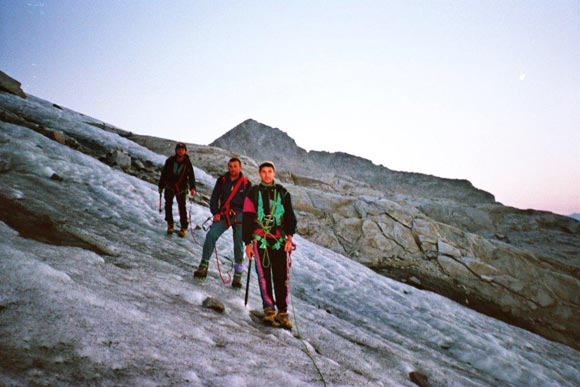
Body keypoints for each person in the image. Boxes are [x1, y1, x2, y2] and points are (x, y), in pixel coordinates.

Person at [243, 161, 297, 329]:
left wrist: (289, 238)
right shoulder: (252, 193)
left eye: (269, 171)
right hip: (260, 240)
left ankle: (282, 313)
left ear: (274, 173)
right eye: (264, 172)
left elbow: (290, 216)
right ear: (260, 174)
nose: (267, 174)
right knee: (264, 277)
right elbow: (247, 218)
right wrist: (248, 243)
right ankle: (269, 310)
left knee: (281, 277)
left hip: (279, 240)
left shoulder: (283, 193)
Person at [194, 158, 251, 288]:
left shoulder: (246, 183)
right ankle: (203, 266)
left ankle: (237, 275)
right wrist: (216, 213)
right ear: (228, 167)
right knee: (211, 235)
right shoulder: (222, 180)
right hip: (224, 214)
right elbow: (214, 198)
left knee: (238, 244)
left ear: (240, 168)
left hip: (240, 216)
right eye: (230, 166)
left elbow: (249, 204)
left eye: (235, 166)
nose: (232, 169)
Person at [158, 142, 196, 237]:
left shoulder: (187, 163)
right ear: (176, 150)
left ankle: (183, 227)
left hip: (181, 188)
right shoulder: (170, 161)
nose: (180, 151)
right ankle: (170, 225)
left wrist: (192, 187)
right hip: (169, 186)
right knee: (168, 205)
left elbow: (191, 176)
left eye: (182, 149)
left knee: (182, 207)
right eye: (179, 149)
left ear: (185, 151)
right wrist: (161, 185)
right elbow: (164, 173)